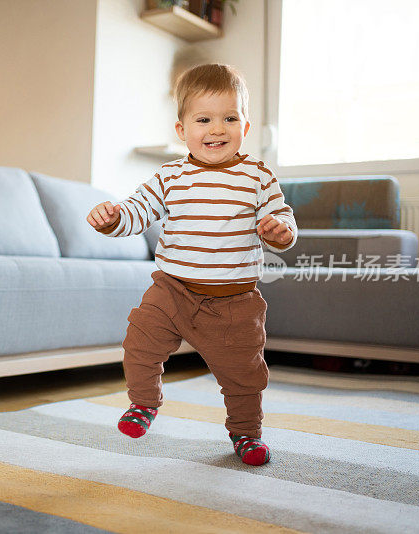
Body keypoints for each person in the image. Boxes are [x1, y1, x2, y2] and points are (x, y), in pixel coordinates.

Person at [86, 64, 297, 466]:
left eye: (229, 118)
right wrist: (114, 219)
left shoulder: (258, 176)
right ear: (182, 129)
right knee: (139, 343)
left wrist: (280, 231)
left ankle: (246, 433)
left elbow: (282, 217)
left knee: (244, 376)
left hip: (235, 301)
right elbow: (137, 211)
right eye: (204, 119)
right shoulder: (169, 177)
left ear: (245, 127)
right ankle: (144, 403)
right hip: (173, 290)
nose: (217, 129)